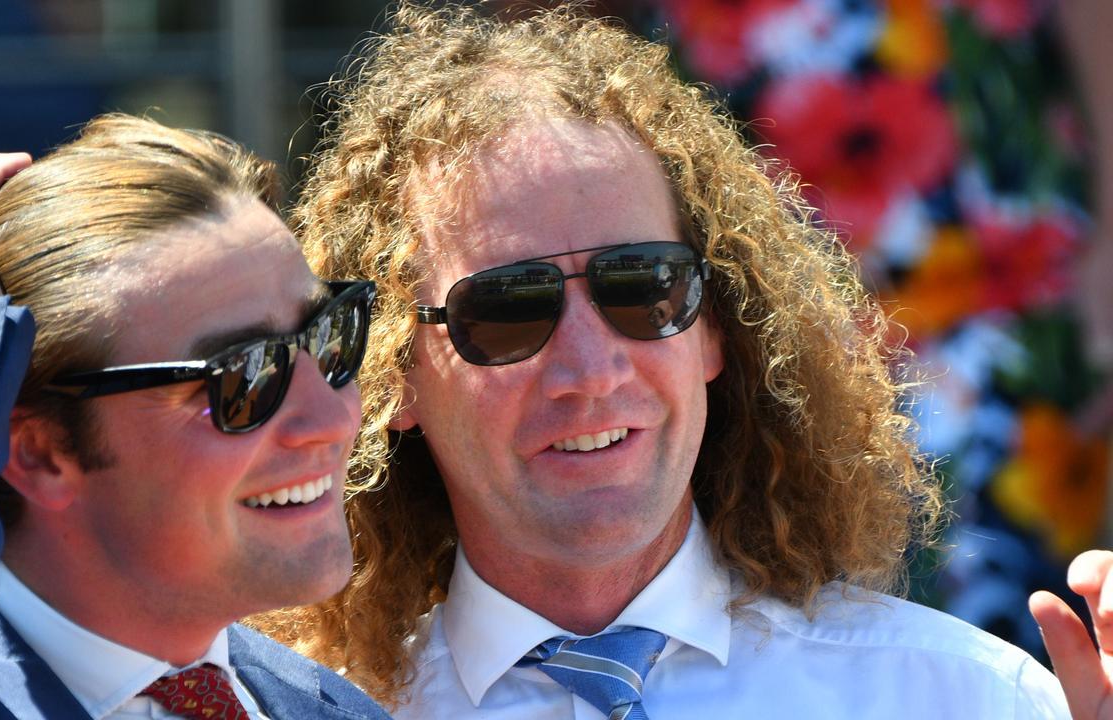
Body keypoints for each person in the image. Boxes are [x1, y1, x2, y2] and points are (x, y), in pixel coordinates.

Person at [255, 3, 1112, 718]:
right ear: (393, 372)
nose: (591, 368)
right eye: (509, 309)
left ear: (714, 331)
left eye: (643, 288)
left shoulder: (961, 698)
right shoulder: (316, 712)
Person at [0, 114, 390, 720]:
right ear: (37, 452)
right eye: (244, 376)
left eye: (331, 333)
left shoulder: (332, 708)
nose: (331, 417)